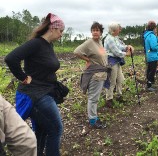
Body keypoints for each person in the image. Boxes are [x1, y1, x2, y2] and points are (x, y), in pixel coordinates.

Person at [5, 13, 65, 156]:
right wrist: (23, 77)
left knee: (43, 129)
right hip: (35, 94)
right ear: (52, 28)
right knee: (56, 129)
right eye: (60, 31)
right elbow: (11, 58)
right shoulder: (36, 43)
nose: (61, 35)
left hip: (46, 91)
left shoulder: (48, 45)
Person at [74, 22, 109, 129]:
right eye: (93, 30)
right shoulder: (89, 42)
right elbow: (76, 51)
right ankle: (93, 120)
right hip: (95, 74)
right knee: (93, 98)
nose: (95, 32)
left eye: (97, 30)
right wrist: (87, 59)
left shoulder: (99, 43)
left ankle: (94, 116)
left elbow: (102, 57)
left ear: (101, 32)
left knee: (95, 97)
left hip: (101, 73)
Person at [104, 22, 134, 108]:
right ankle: (109, 99)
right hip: (111, 61)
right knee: (112, 81)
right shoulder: (109, 39)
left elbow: (120, 46)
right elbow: (116, 51)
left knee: (120, 79)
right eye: (118, 29)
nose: (120, 30)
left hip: (116, 61)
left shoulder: (115, 37)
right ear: (114, 30)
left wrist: (127, 47)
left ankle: (119, 96)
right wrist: (126, 54)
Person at [144, 21, 158, 91]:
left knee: (149, 71)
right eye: (156, 28)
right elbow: (154, 47)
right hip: (153, 56)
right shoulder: (152, 36)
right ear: (154, 28)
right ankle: (149, 86)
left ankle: (149, 84)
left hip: (149, 56)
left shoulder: (147, 35)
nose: (156, 29)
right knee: (152, 71)